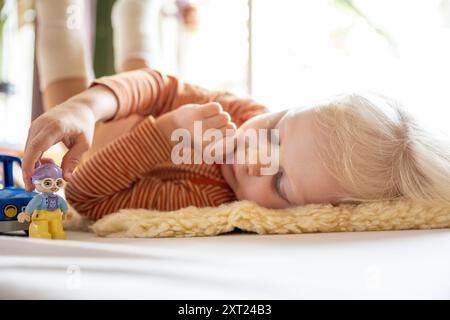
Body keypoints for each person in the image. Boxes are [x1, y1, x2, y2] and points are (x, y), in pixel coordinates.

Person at [21, 68, 450, 221]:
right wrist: (84, 108)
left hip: (65, 156)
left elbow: (86, 195)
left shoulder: (206, 198)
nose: (256, 157)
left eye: (280, 181)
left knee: (61, 61)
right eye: (275, 131)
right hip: (96, 115)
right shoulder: (242, 113)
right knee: (118, 76)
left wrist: (164, 133)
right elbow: (159, 86)